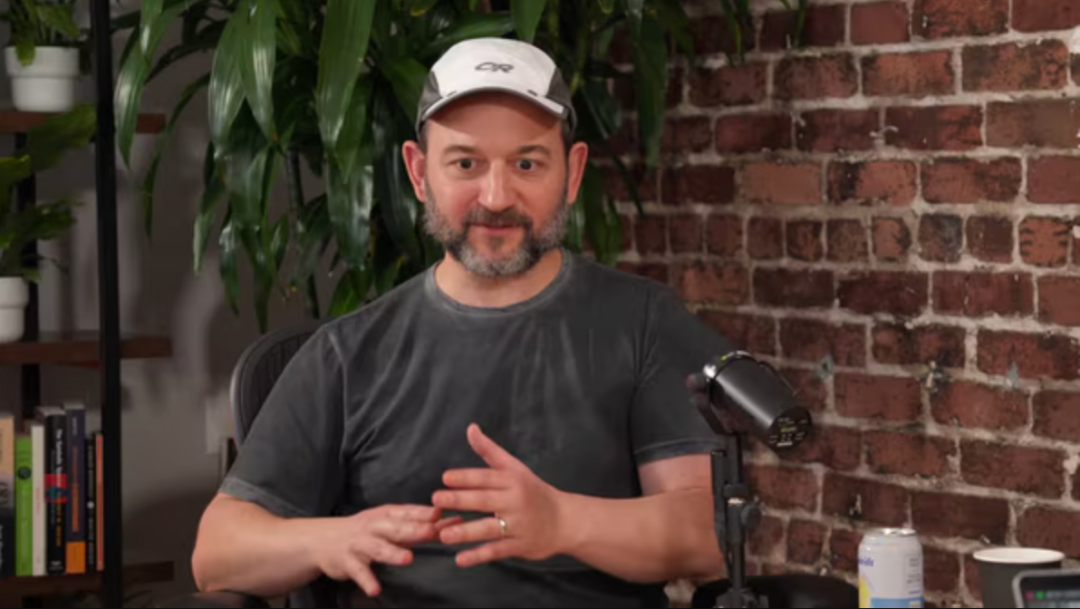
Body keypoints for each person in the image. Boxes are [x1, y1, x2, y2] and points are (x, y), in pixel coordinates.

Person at [191, 37, 739, 608]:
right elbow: (216, 553)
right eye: (465, 164)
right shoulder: (347, 354)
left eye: (526, 163)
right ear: (419, 172)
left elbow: (710, 540)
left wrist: (563, 521)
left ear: (573, 173)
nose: (496, 197)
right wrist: (329, 538)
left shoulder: (643, 323)